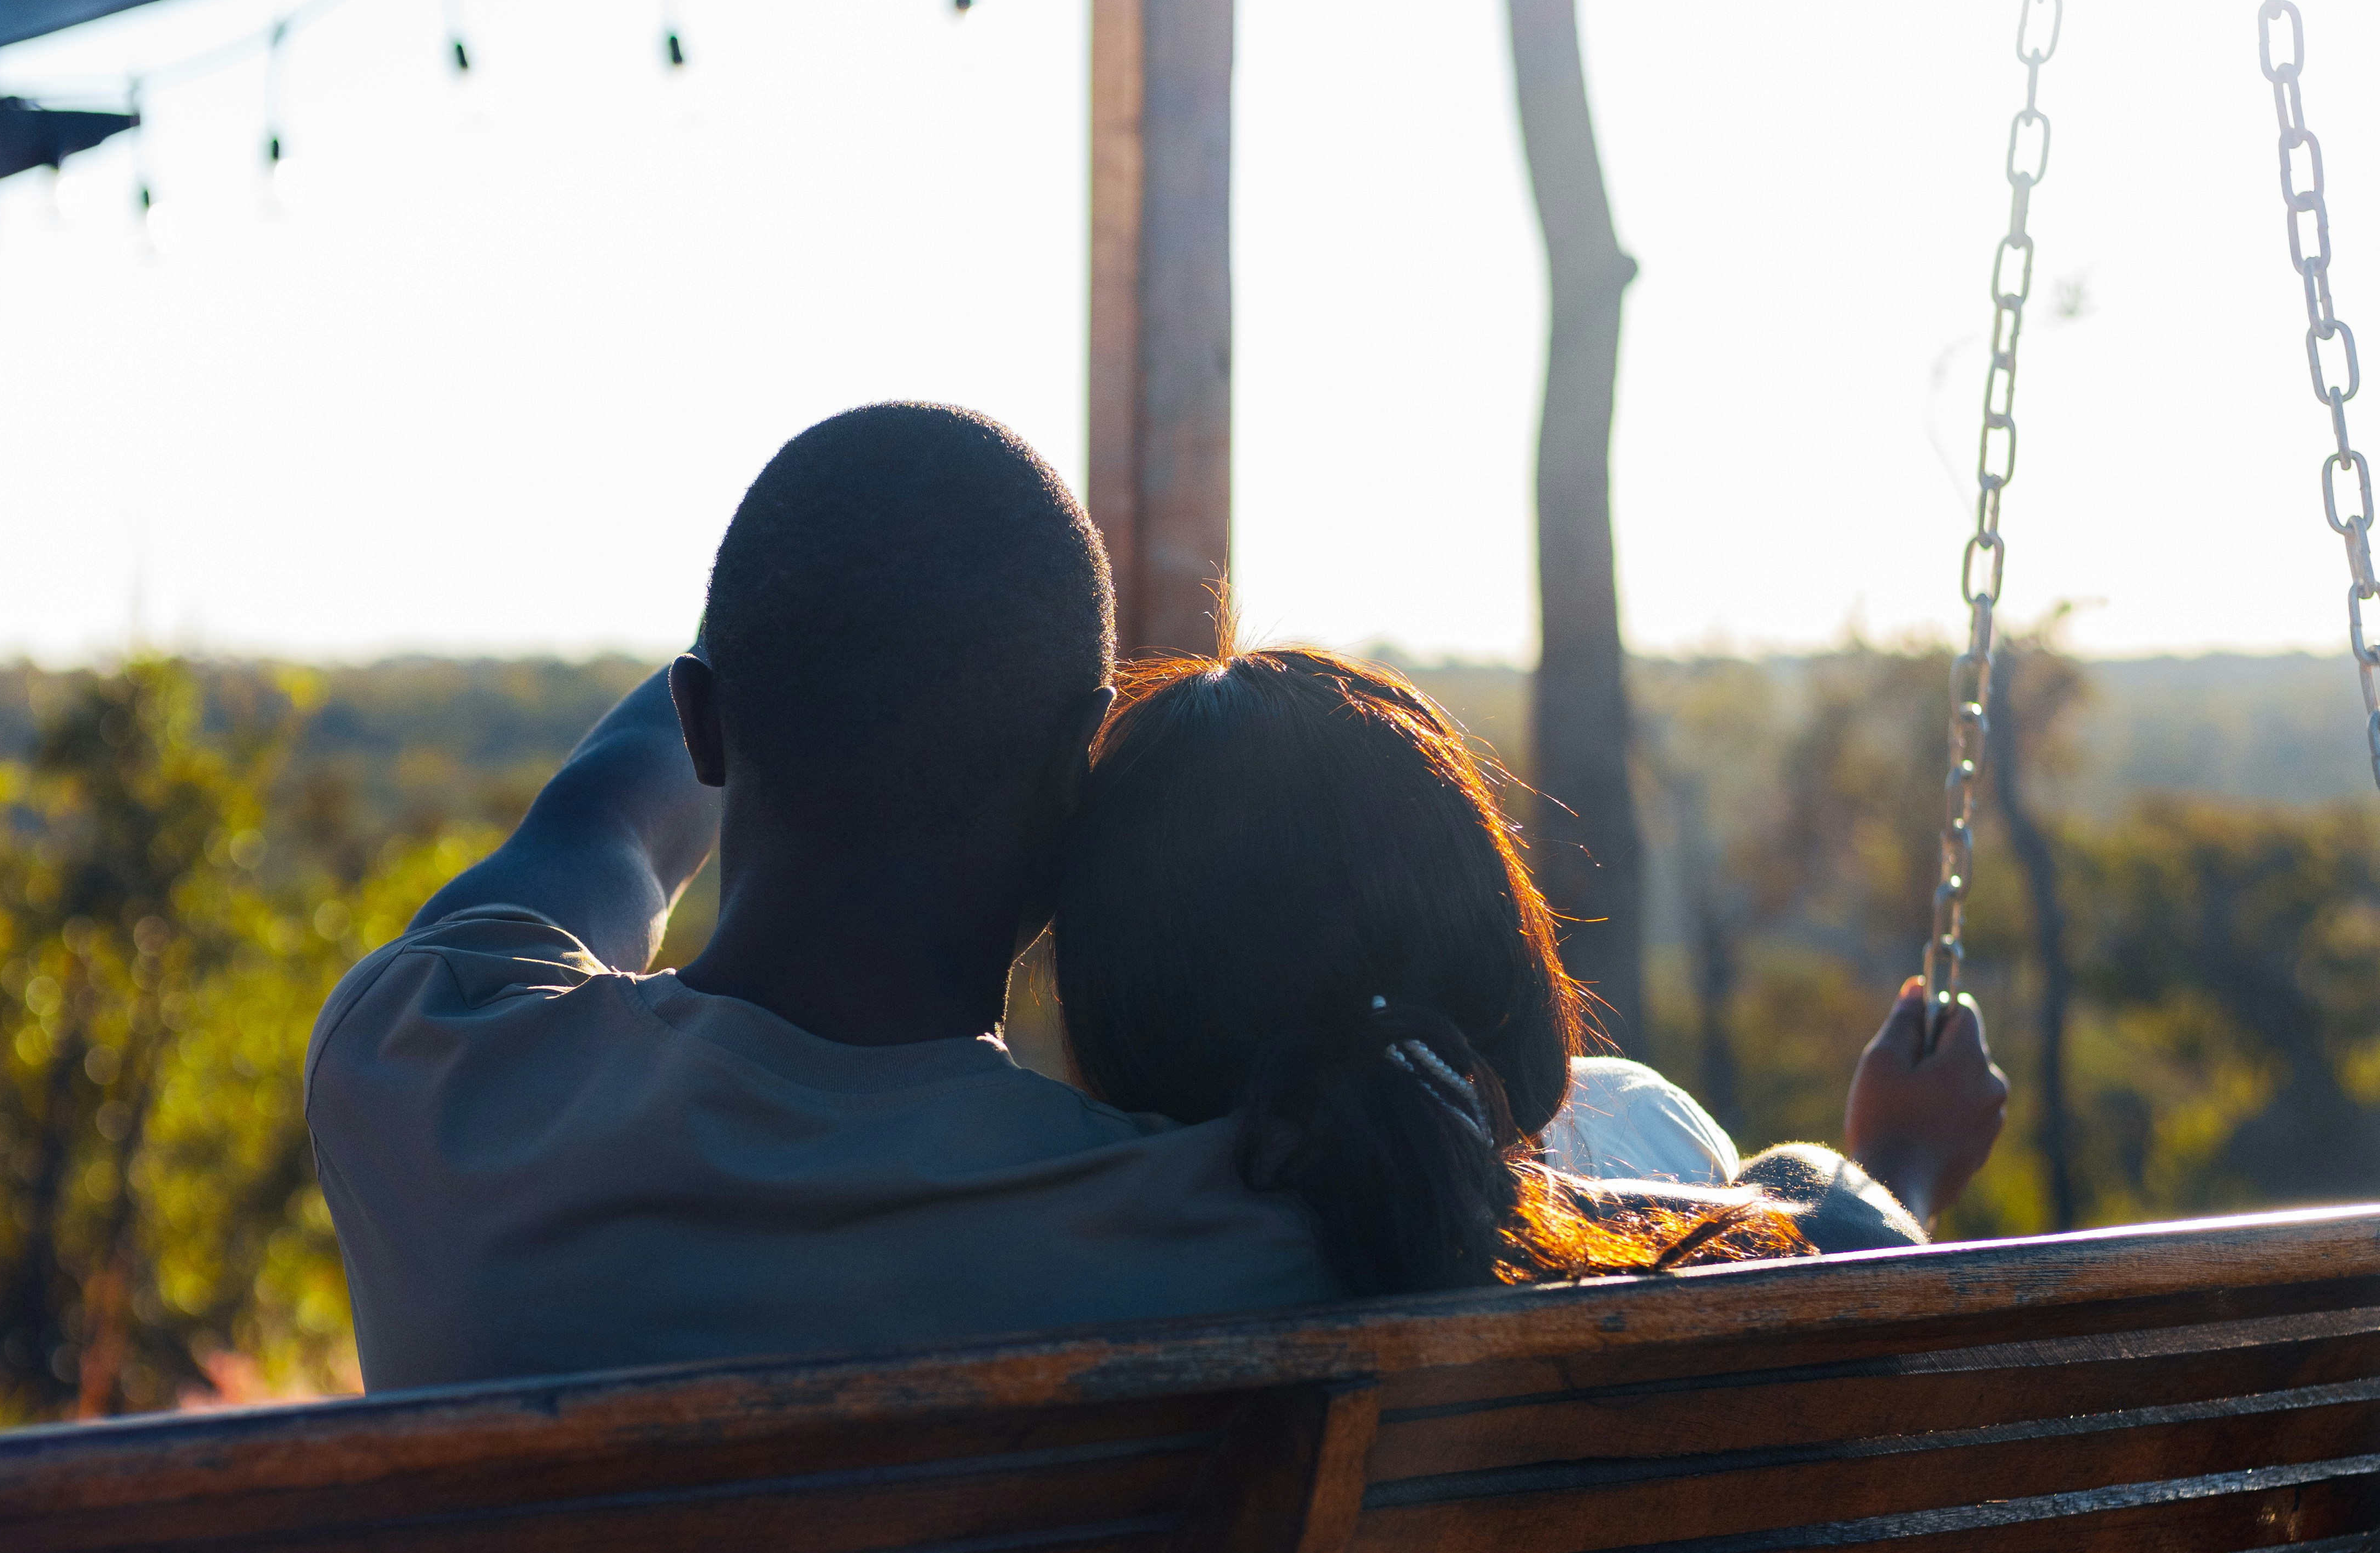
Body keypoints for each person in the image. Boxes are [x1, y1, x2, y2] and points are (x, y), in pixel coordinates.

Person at [310, 407, 1347, 1390]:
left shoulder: (420, 1072)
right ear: (1075, 758)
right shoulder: (1227, 1239)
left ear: (703, 720)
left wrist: (787, 626)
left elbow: (603, 827)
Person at [1049, 645, 2008, 1292]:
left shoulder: (1067, 1277)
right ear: (1501, 952)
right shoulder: (1639, 1148)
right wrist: (1900, 1172)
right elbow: (1812, 1270)